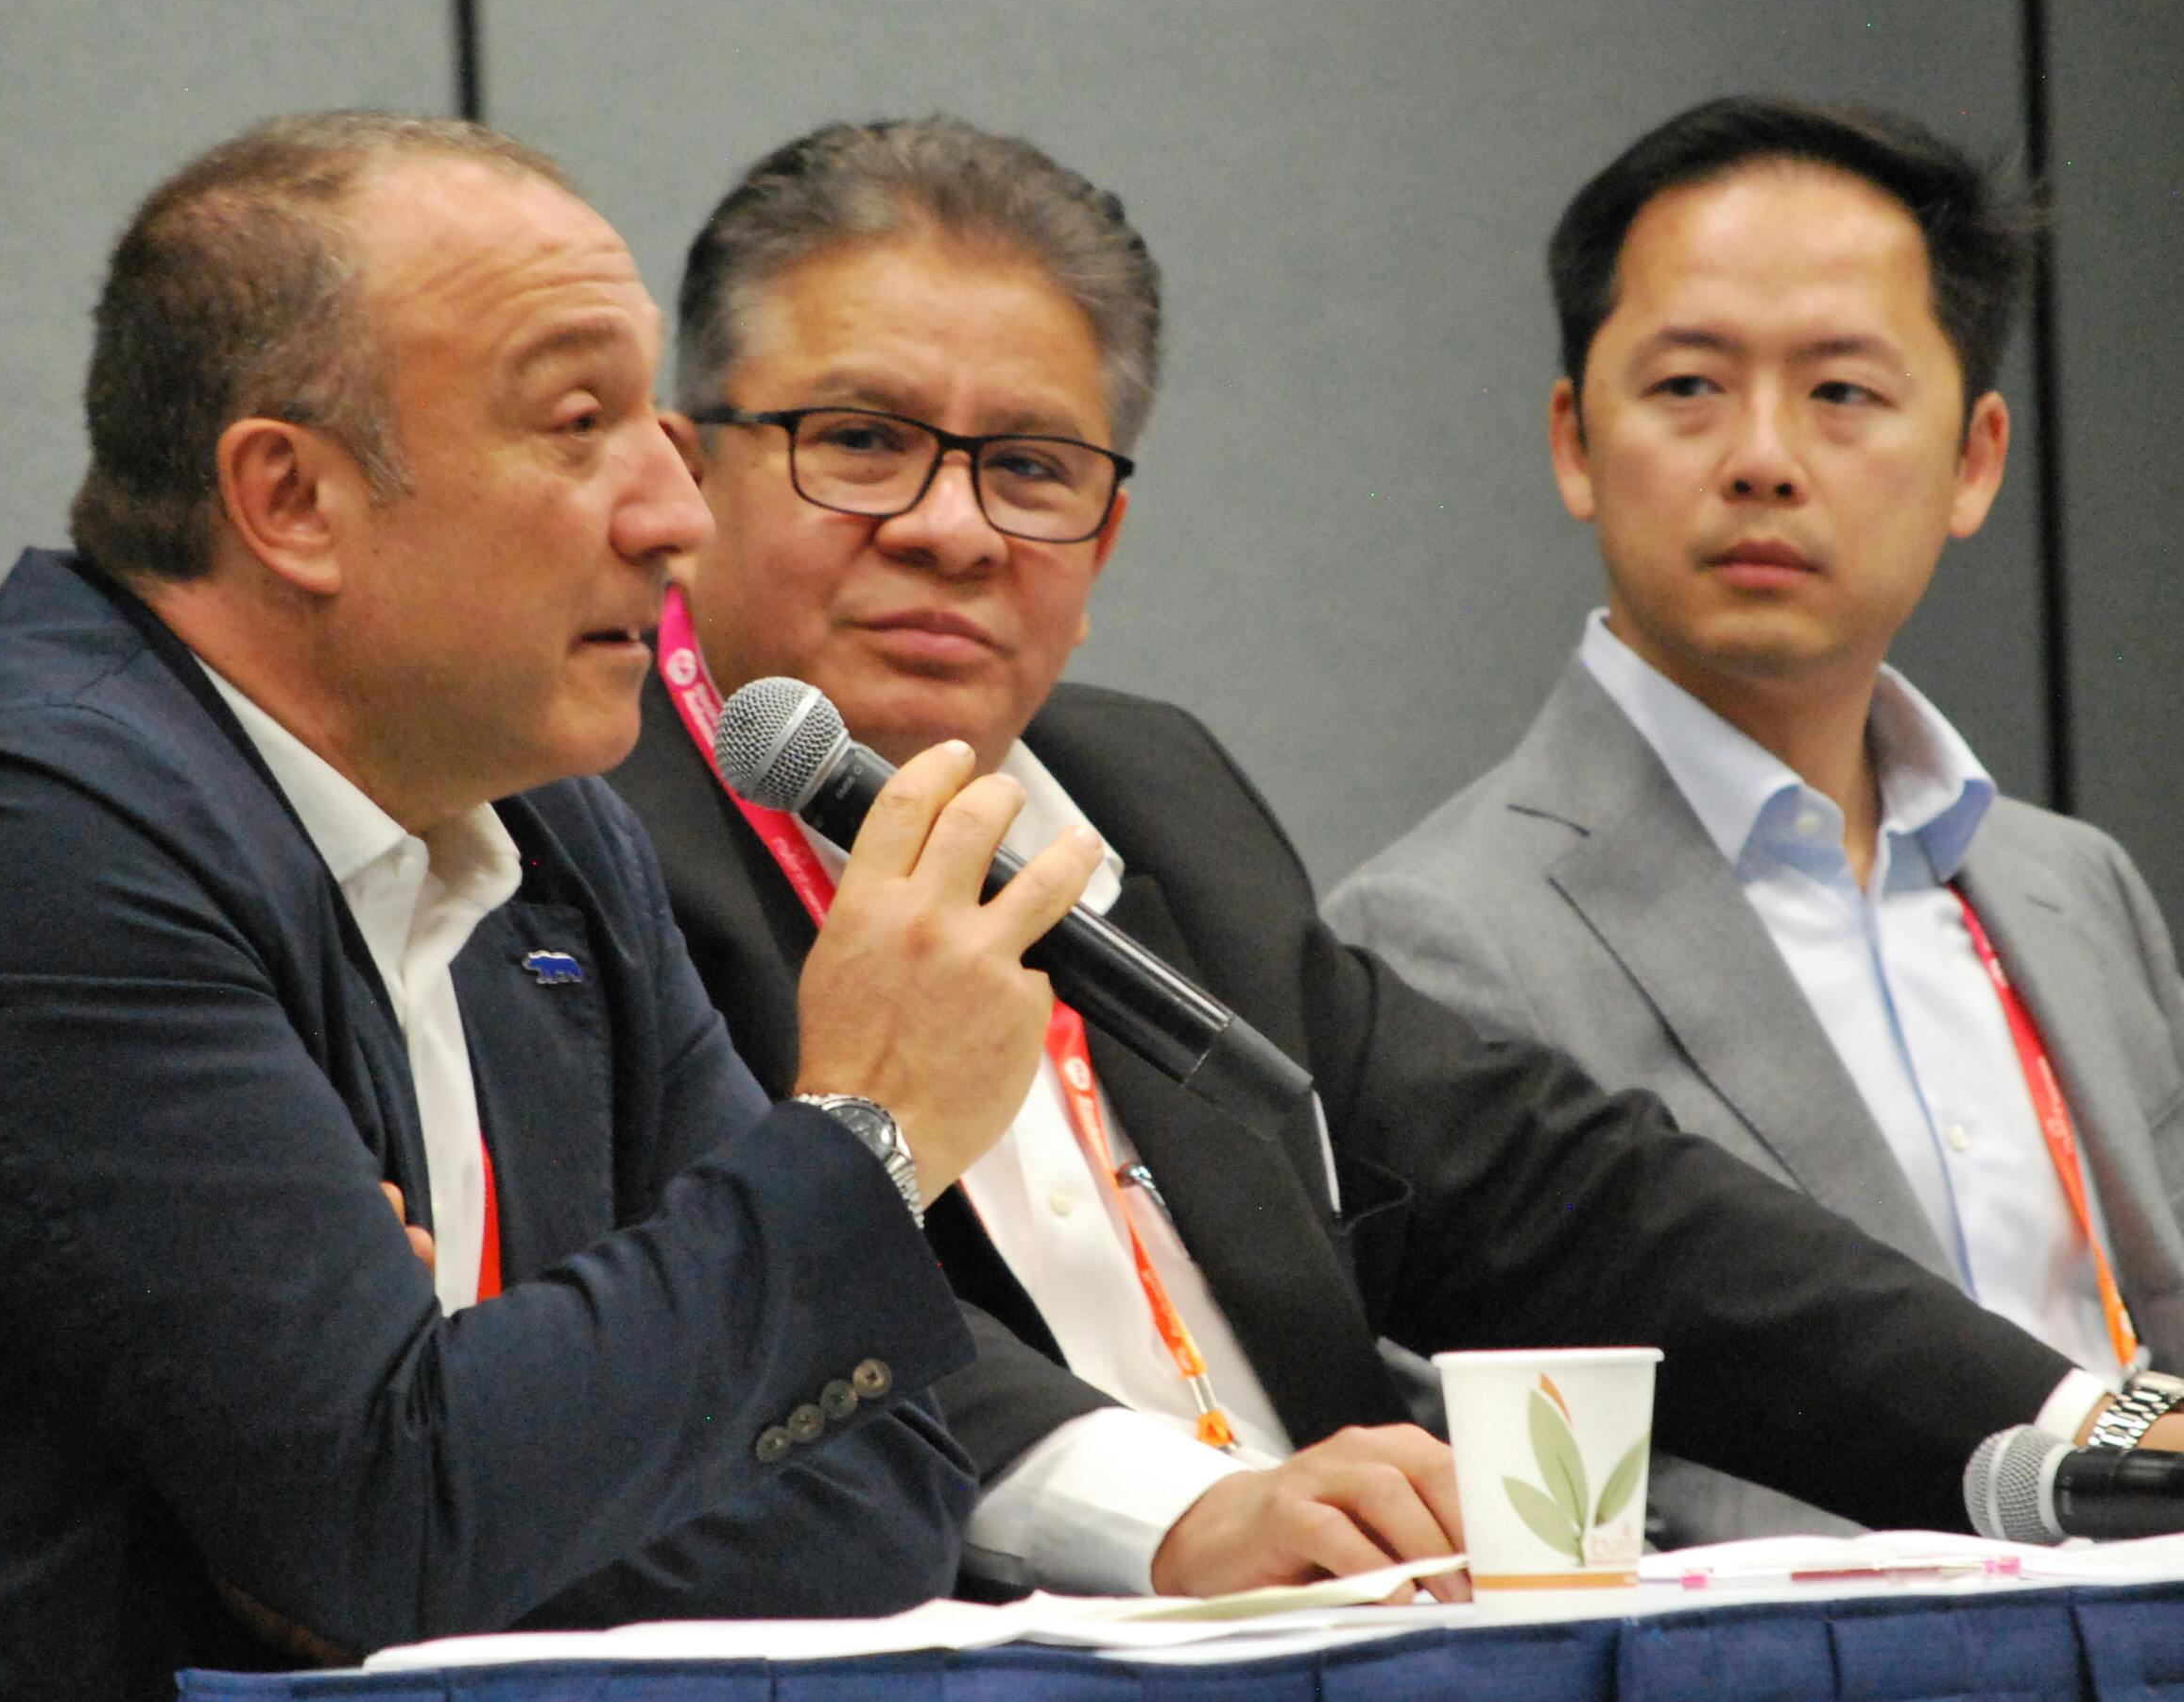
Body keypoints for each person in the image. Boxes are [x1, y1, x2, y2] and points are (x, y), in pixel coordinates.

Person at [603, 112, 2184, 1599]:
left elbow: (1565, 1200)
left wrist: (2090, 1429)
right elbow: (714, 1294)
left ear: (1104, 536)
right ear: (685, 477)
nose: (952, 527)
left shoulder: (1150, 797)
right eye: (863, 442)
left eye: (1031, 469)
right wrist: (1181, 1517)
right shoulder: (588, 848)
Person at [0, 112, 1109, 1701]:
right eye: (578, 422)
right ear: (294, 502)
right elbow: (398, 1518)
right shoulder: (32, 845)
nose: (671, 511)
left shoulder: (546, 828)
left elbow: (873, 1505)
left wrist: (460, 1482)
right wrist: (866, 1139)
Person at [1326, 95, 2184, 1544]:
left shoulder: (2069, 887)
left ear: (1975, 460)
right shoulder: (1430, 938)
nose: (1764, 458)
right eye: (1688, 389)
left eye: (1843, 392)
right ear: (1575, 442)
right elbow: (1519, 1516)